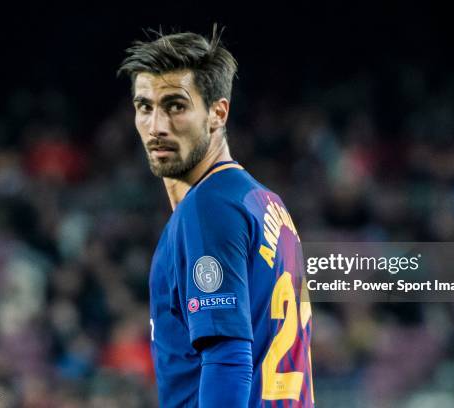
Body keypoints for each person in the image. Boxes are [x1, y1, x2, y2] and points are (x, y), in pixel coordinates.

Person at [118, 26, 314, 407]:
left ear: (217, 112)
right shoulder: (263, 200)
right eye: (145, 107)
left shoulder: (208, 207)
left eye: (175, 105)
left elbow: (228, 358)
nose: (156, 126)